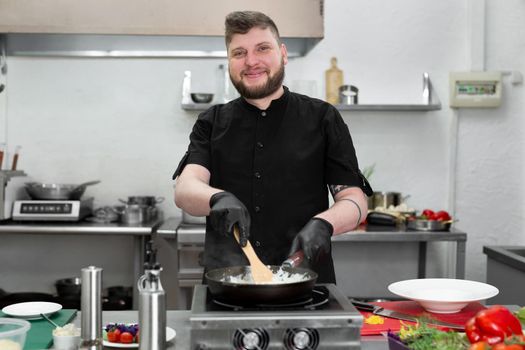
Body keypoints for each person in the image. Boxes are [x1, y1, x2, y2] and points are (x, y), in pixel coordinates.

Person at [173, 11, 373, 283]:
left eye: (262, 48)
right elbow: (185, 189)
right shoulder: (212, 122)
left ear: (283, 54)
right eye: (239, 52)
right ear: (230, 61)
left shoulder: (323, 118)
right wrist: (216, 198)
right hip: (228, 288)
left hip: (307, 285)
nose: (251, 61)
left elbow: (354, 199)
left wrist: (325, 224)